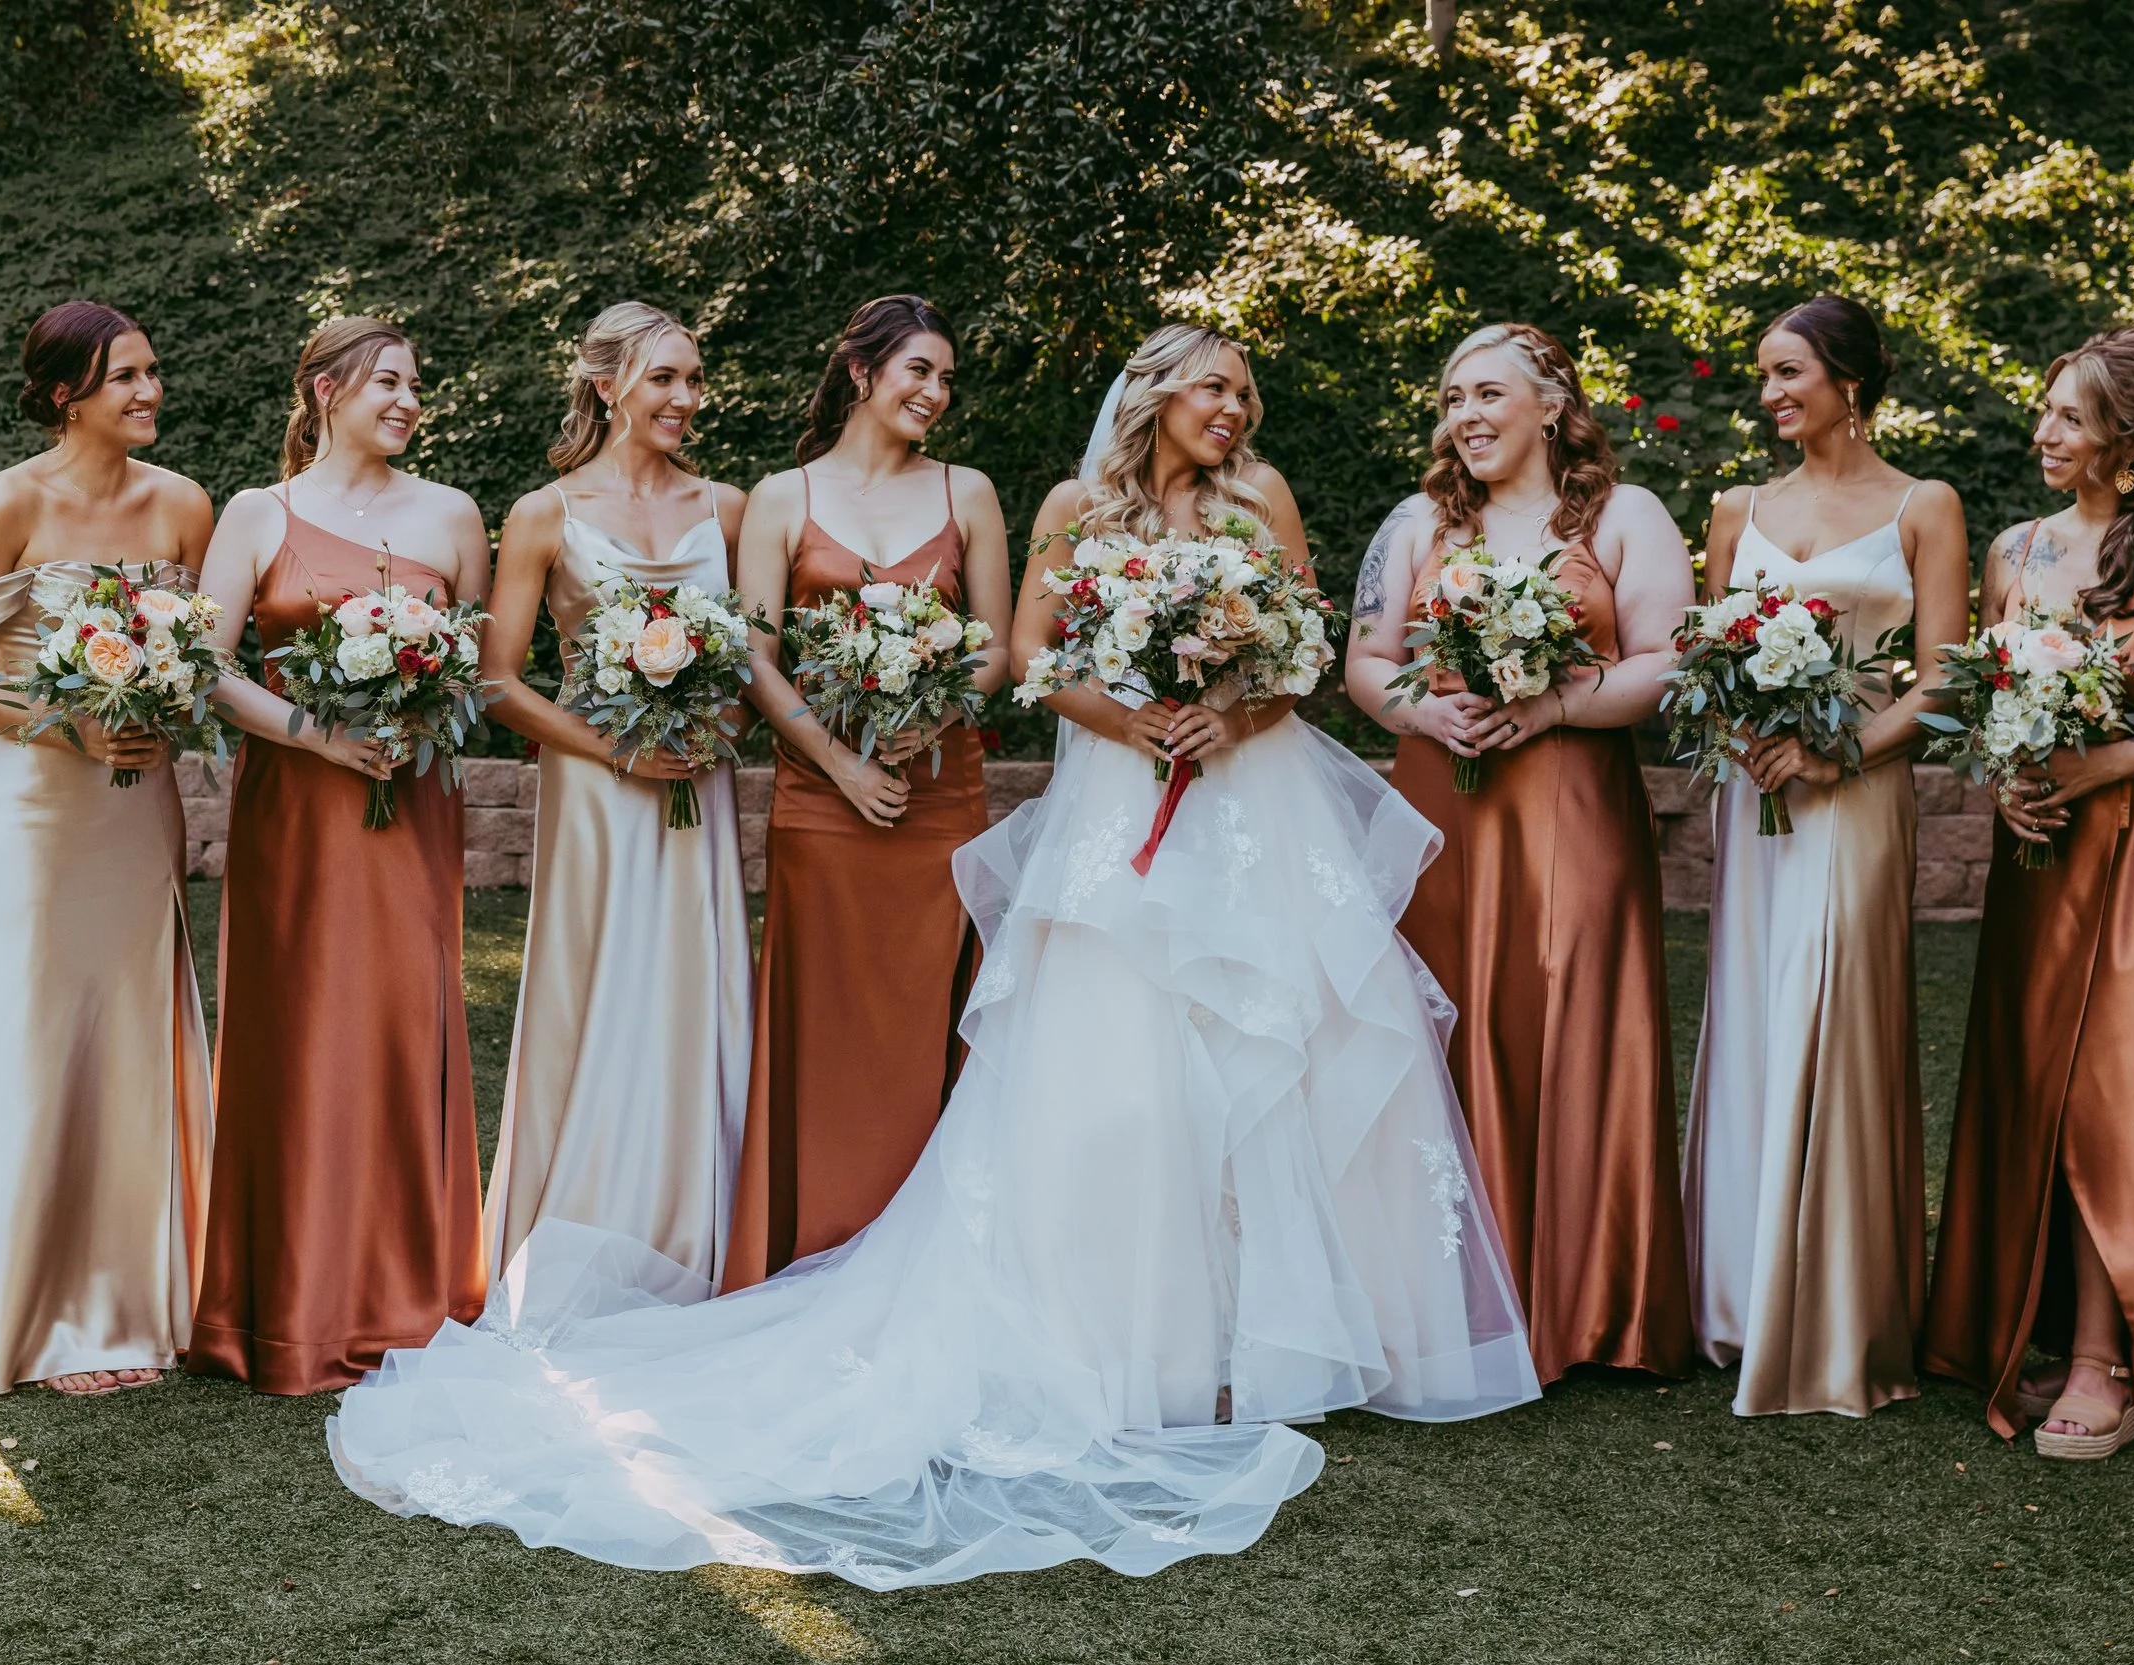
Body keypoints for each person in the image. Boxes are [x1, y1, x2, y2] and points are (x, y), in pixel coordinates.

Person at [326, 321, 1539, 1588]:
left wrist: (1231, 711)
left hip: (1252, 797)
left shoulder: (1262, 495)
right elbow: (1048, 662)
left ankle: (1280, 1338)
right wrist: (1136, 717)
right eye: (1212, 387)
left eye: (1245, 391)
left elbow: (1293, 652)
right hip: (1126, 790)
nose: (1234, 408)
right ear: (1155, 394)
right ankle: (1148, 1332)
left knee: (1284, 1046)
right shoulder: (1073, 503)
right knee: (1122, 1074)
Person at [1922, 326, 2134, 1458]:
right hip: (2039, 854)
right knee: (2036, 1087)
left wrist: (2103, 765)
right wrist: (2008, 781)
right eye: (2047, 409)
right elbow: (1993, 695)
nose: (2044, 432)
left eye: (2071, 416)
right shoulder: (2014, 550)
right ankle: (2030, 1325)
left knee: (2117, 1098)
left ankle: (2105, 1359)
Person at [1343, 322, 1696, 1384]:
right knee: (1440, 1018)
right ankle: (1446, 1302)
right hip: (1441, 807)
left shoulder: (1625, 517)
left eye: (1488, 393)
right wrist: (1422, 710)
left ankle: (1585, 1307)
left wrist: (1553, 706)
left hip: (1572, 808)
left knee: (1574, 1018)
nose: (1466, 415)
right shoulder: (1417, 521)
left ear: (1551, 405)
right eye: (1453, 398)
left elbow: (1666, 662)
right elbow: (1365, 659)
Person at [1679, 294, 1971, 1418]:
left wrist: (1832, 751)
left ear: (1849, 380)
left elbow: (1941, 686)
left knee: (1834, 1010)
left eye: (1788, 371)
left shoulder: (1921, 505)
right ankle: (1737, 1300)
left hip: (1855, 797)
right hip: (1755, 793)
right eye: (1763, 374)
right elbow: (1708, 656)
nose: (1769, 394)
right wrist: (1749, 738)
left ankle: (1838, 1318)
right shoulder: (1737, 509)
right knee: (1755, 1007)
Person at [188, 316, 491, 1394]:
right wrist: (315, 733)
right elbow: (206, 666)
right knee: (301, 1030)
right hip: (298, 812)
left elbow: (475, 670)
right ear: (325, 390)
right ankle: (284, 1307)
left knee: (402, 1028)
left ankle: (408, 1294)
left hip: (409, 808)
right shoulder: (255, 513)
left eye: (415, 384)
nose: (409, 401)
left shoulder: (454, 516)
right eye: (388, 383)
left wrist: (419, 707)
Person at [0, 301, 214, 1397]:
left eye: (150, 371)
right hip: (38, 814)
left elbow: (203, 660)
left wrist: (165, 711)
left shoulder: (184, 505)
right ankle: (41, 1321)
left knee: (135, 1041)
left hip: (139, 811)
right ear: (64, 395)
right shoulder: (7, 502)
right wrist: (71, 726)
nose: (149, 391)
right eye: (124, 376)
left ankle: (132, 1306)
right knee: (39, 1041)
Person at [721, 295, 1013, 1288]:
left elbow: (996, 650)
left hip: (936, 800)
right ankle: (814, 1244)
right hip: (821, 801)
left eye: (946, 378)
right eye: (918, 370)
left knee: (925, 1019)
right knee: (828, 1029)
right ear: (861, 370)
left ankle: (926, 1267)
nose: (936, 392)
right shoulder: (781, 498)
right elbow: (756, 659)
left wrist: (933, 714)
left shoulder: (968, 493)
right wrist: (838, 762)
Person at [478, 302, 752, 1289]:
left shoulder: (730, 509)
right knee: (599, 985)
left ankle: (694, 1233)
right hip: (598, 784)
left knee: (690, 980)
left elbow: (755, 658)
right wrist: (618, 752)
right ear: (606, 386)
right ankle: (578, 1221)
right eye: (663, 377)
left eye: (693, 378)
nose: (685, 397)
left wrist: (719, 728)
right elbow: (497, 681)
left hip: (698, 777)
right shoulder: (543, 513)